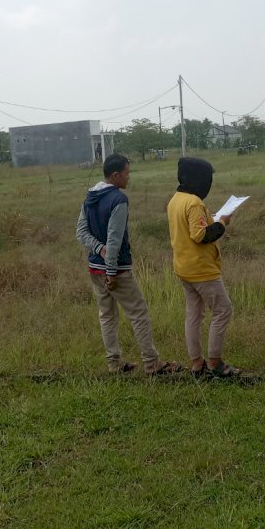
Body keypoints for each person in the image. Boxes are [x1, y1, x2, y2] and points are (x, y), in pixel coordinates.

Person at [76, 153, 181, 375]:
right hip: (116, 270)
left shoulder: (90, 196)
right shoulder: (118, 199)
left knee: (107, 315)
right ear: (115, 175)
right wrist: (111, 270)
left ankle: (114, 364)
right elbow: (114, 239)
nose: (129, 178)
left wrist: (98, 249)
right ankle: (152, 364)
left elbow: (81, 232)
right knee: (139, 313)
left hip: (94, 267)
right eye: (126, 173)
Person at [167, 157, 240, 378]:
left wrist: (212, 221)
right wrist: (221, 223)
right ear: (198, 179)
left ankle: (197, 363)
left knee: (194, 314)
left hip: (183, 267)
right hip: (201, 270)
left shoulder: (176, 199)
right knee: (223, 309)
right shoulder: (195, 203)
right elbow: (200, 236)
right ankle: (215, 363)